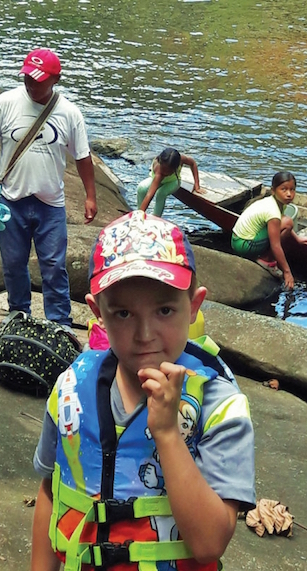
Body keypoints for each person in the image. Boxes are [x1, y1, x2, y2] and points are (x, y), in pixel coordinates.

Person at [30, 211, 256, 570]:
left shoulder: (219, 405)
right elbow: (50, 491)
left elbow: (210, 544)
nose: (145, 333)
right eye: (123, 314)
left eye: (165, 310)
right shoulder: (72, 387)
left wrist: (167, 433)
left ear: (194, 305)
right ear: (97, 312)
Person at [0, 48, 97, 327]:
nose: (31, 84)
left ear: (55, 79)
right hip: (11, 198)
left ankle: (60, 321)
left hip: (50, 203)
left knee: (54, 266)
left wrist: (91, 196)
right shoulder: (6, 103)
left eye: (38, 80)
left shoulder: (70, 113)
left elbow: (83, 156)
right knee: (12, 264)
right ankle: (19, 313)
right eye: (27, 78)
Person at [230, 171, 307, 290]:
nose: (289, 194)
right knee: (288, 222)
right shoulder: (272, 210)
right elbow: (276, 245)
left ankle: (265, 256)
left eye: (292, 189)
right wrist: (287, 272)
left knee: (286, 221)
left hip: (237, 239)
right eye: (283, 189)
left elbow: (282, 222)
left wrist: (297, 239)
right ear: (274, 190)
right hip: (244, 244)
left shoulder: (276, 202)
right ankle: (266, 260)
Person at [136, 147, 201, 216]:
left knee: (161, 193)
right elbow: (150, 195)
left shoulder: (181, 159)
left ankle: (156, 217)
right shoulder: (159, 172)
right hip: (157, 180)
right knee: (141, 188)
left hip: (173, 182)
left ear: (176, 167)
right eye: (163, 170)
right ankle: (139, 213)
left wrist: (196, 185)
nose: (165, 173)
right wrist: (140, 213)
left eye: (169, 171)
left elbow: (193, 163)